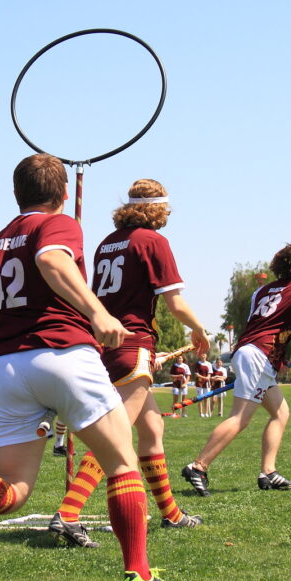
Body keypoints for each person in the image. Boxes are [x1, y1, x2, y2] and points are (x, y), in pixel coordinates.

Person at [0, 153, 177, 581]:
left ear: (16, 193)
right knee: (121, 462)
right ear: (61, 194)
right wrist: (98, 314)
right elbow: (51, 262)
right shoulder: (58, 224)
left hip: (5, 368)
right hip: (62, 353)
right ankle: (139, 572)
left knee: (13, 488)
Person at [50, 179, 210, 547]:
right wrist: (199, 329)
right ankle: (68, 513)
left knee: (152, 427)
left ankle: (171, 514)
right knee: (115, 435)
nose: (168, 215)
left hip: (105, 343)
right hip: (133, 344)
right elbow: (175, 303)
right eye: (166, 208)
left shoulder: (108, 242)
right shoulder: (153, 241)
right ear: (156, 208)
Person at [181, 244, 291, 495]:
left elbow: (263, 324)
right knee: (240, 418)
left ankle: (268, 472)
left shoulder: (261, 291)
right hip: (258, 356)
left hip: (251, 352)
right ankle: (198, 466)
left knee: (280, 413)